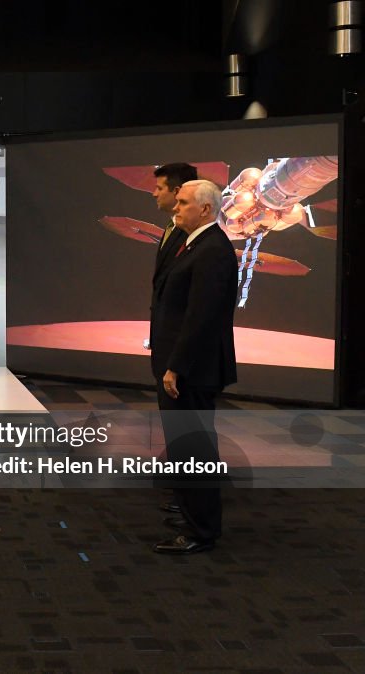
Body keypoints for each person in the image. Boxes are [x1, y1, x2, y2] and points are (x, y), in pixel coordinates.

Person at [150, 179, 237, 555]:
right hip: (183, 368)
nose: (174, 207)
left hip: (190, 371)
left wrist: (176, 367)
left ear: (205, 209)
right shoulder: (197, 244)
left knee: (194, 449)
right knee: (186, 447)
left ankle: (201, 531)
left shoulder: (213, 250)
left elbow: (202, 319)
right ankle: (193, 517)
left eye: (182, 203)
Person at [150, 163, 197, 516]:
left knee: (189, 426)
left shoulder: (198, 241)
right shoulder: (173, 230)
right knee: (176, 423)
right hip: (168, 344)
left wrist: (176, 361)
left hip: (182, 354)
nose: (156, 193)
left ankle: (192, 501)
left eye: (163, 189)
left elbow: (200, 311)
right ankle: (183, 494)